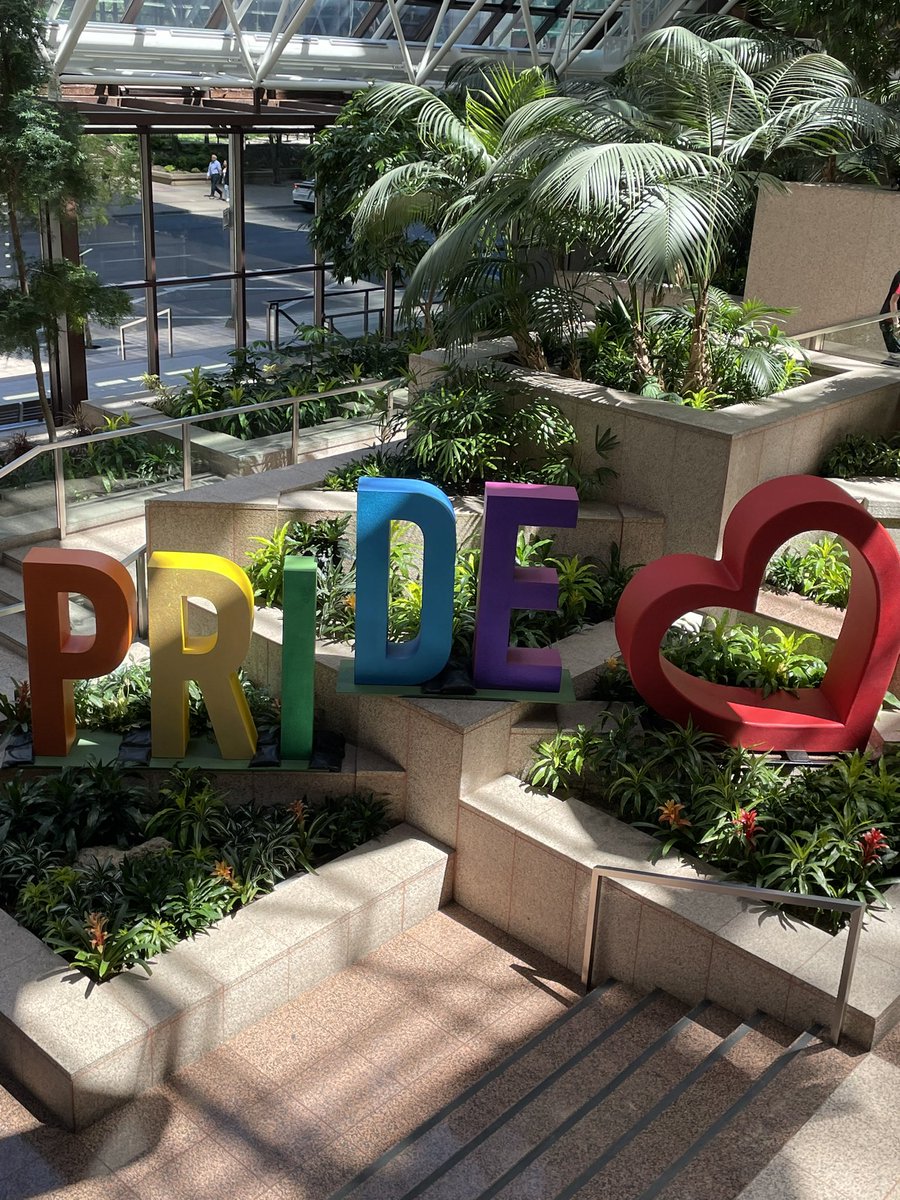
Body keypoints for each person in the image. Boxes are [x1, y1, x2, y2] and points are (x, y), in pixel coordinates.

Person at [879, 268, 900, 355]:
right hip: (889, 322)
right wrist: (896, 324)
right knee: (896, 356)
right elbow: (893, 301)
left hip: (893, 320)